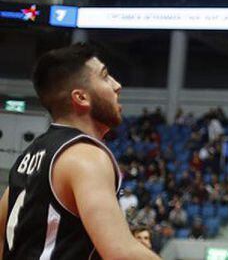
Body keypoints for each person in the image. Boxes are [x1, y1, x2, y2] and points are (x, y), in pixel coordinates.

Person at [0, 43, 159, 259]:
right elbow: (121, 253)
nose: (117, 85)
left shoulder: (29, 156)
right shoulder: (84, 156)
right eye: (105, 77)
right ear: (81, 98)